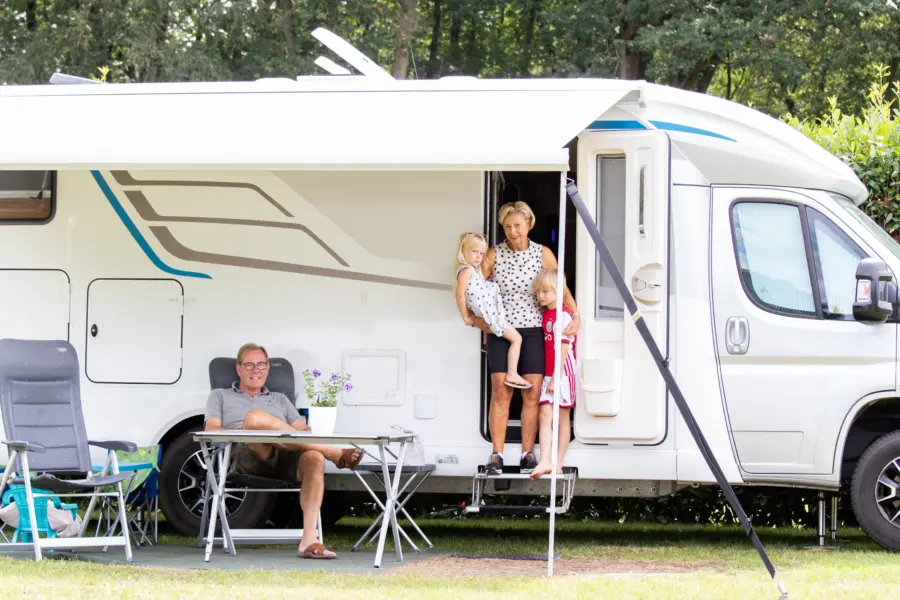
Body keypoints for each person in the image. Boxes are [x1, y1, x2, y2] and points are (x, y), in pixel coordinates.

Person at [203, 343, 363, 560]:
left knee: (314, 457)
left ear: (267, 368)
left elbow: (303, 431)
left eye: (260, 364)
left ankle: (309, 540)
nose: (255, 370)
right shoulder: (220, 395)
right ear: (238, 369)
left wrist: (278, 431)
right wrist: (248, 429)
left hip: (285, 457)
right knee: (255, 417)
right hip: (247, 455)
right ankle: (333, 453)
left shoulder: (280, 399)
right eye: (249, 365)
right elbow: (211, 429)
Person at [471, 201, 581, 475]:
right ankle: (496, 454)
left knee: (532, 395)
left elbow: (560, 286)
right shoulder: (494, 255)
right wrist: (482, 322)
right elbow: (477, 289)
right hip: (502, 330)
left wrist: (575, 314)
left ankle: (527, 454)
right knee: (501, 393)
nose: (512, 231)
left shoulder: (542, 253)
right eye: (507, 226)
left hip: (534, 331)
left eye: (517, 225)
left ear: (529, 224)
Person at [455, 232, 531, 389]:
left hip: (488, 315)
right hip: (491, 318)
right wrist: (465, 316)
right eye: (474, 252)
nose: (478, 257)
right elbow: (460, 295)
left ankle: (487, 341)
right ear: (463, 250)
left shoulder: (472, 270)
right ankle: (512, 373)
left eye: (481, 253)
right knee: (517, 339)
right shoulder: (466, 271)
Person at [530, 269, 577, 479]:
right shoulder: (547, 313)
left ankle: (558, 462)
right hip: (550, 373)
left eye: (545, 291)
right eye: (538, 291)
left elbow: (564, 349)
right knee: (545, 414)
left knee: (562, 417)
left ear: (558, 291)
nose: (540, 296)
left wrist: (556, 378)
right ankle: (544, 461)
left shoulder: (563, 316)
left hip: (563, 374)